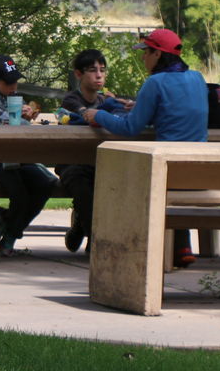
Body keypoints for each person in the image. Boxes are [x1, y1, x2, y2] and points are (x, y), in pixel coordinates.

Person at [80, 28, 208, 267]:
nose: (143, 58)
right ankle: (182, 245)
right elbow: (177, 111)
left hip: (167, 168)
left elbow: (130, 128)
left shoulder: (155, 82)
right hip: (196, 168)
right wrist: (141, 107)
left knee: (111, 178)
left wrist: (98, 115)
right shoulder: (197, 78)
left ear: (157, 54)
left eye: (146, 52)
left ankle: (118, 244)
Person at [0, 55, 59, 256]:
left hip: (21, 156)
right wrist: (14, 119)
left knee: (46, 183)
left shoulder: (14, 100)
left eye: (15, 81)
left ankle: (7, 222)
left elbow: (21, 129)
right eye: (8, 82)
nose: (13, 86)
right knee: (20, 194)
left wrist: (27, 118)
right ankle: (11, 237)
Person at [55, 48, 132, 253]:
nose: (99, 75)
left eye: (102, 70)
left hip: (99, 161)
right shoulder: (72, 100)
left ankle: (84, 226)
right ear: (79, 74)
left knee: (116, 180)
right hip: (72, 162)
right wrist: (111, 106)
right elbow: (88, 116)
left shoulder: (104, 101)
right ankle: (98, 242)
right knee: (80, 181)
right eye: (92, 70)